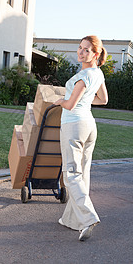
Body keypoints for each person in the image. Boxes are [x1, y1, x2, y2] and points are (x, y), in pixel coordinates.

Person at [54, 35, 108, 241]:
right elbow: (103, 99)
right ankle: (72, 220)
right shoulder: (98, 74)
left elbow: (70, 105)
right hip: (89, 125)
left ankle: (87, 218)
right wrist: (84, 99)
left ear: (95, 54)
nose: (81, 52)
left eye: (86, 50)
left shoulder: (84, 75)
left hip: (74, 125)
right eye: (80, 48)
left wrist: (60, 100)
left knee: (71, 175)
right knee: (82, 174)